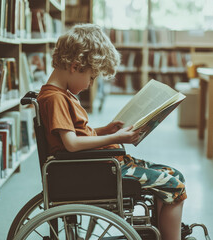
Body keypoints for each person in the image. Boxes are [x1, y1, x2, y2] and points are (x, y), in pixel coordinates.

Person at [37, 23, 187, 240]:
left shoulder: (60, 94)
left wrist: (104, 130)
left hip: (103, 165)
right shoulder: (55, 98)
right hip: (102, 169)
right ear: (75, 66)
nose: (90, 83)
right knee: (175, 187)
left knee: (174, 176)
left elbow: (74, 136)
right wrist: (116, 137)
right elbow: (71, 144)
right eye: (91, 77)